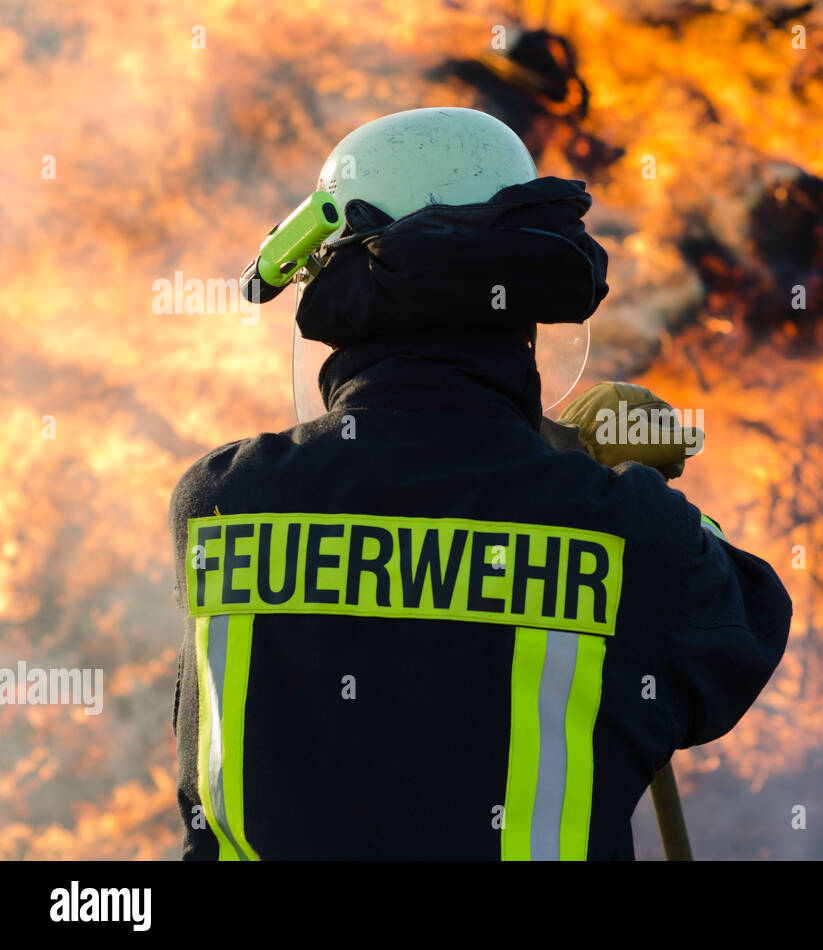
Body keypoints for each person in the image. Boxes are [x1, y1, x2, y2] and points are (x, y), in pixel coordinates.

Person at [168, 107, 791, 860]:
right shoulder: (628, 532)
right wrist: (608, 480)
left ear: (340, 304)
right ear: (524, 310)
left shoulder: (218, 505)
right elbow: (746, 622)